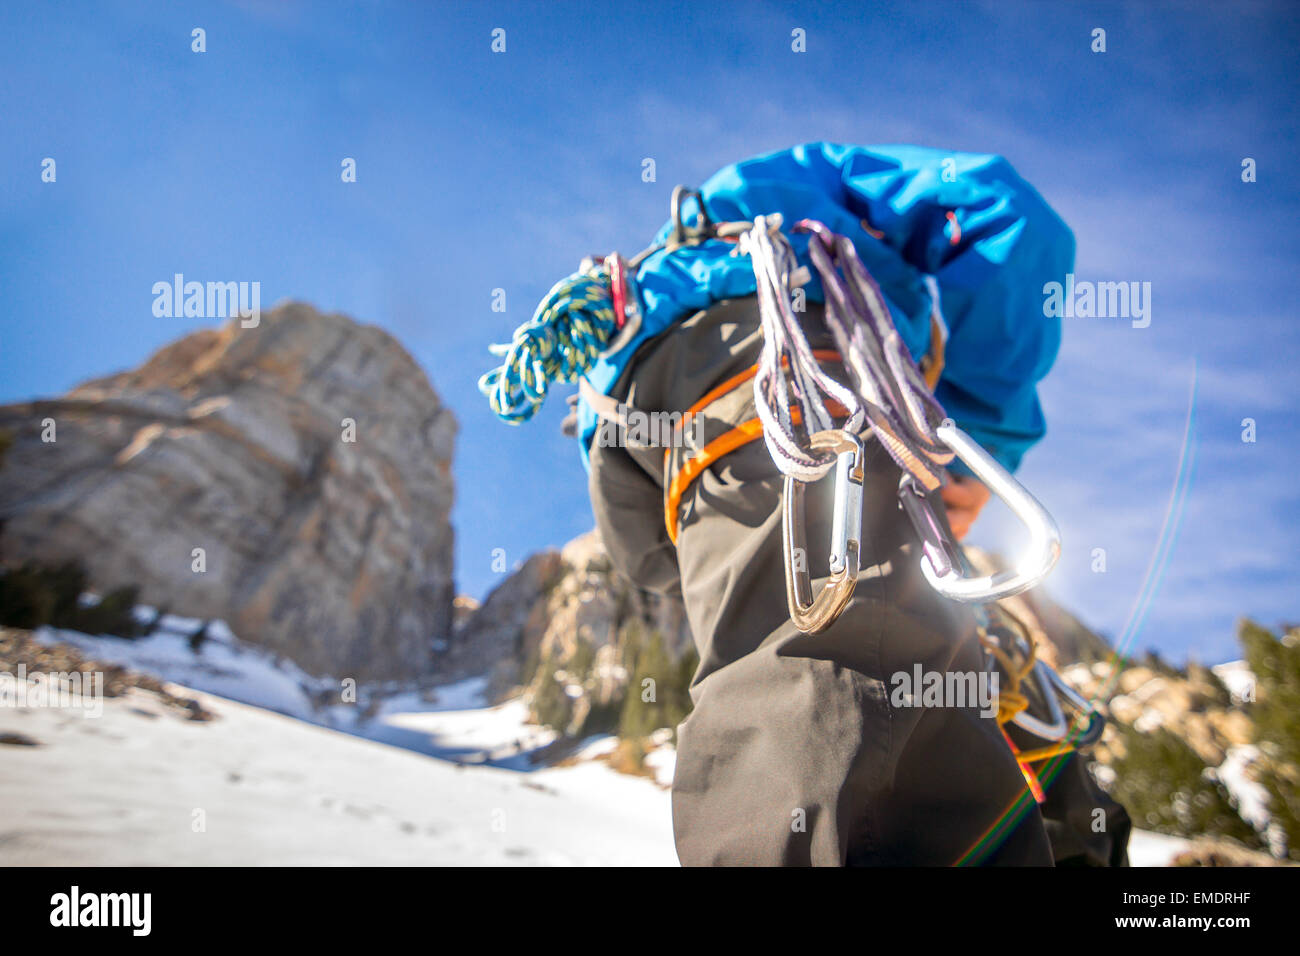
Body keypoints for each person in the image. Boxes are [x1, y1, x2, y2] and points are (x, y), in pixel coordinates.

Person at [580, 144, 1131, 866]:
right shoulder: (817, 180)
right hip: (797, 360)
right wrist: (975, 427)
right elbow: (1008, 215)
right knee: (829, 671)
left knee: (859, 672)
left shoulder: (662, 284)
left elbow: (650, 553)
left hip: (657, 449)